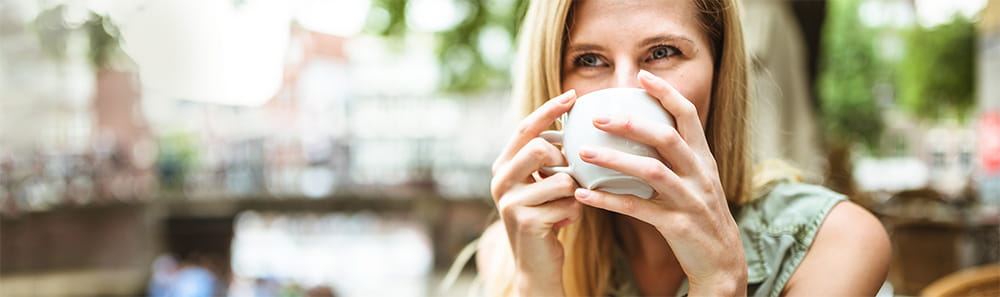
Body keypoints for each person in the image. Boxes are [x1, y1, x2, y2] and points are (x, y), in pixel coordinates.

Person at [475, 0, 891, 296]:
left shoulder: (835, 244)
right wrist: (538, 287)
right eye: (589, 60)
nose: (624, 91)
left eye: (662, 52)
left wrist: (720, 284)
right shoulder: (512, 250)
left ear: (719, 68)